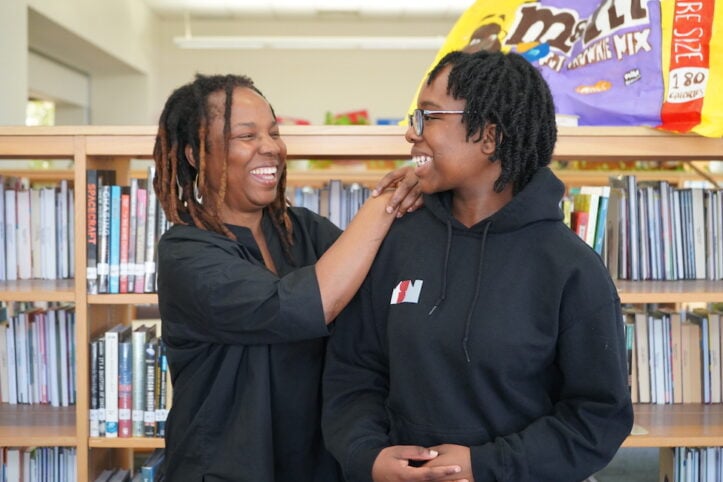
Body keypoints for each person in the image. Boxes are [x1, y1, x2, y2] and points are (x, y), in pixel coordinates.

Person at [322, 50, 634, 482]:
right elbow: (353, 371)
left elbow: (598, 418)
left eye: (429, 117)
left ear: (489, 136)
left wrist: (485, 467)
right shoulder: (395, 243)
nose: (411, 135)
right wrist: (368, 456)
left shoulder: (570, 269)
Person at [152, 73, 440, 482]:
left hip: (313, 461)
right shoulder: (185, 253)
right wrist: (387, 201)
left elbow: (375, 289)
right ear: (196, 154)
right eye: (246, 136)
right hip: (221, 467)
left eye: (273, 132)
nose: (270, 147)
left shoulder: (302, 229)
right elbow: (294, 305)